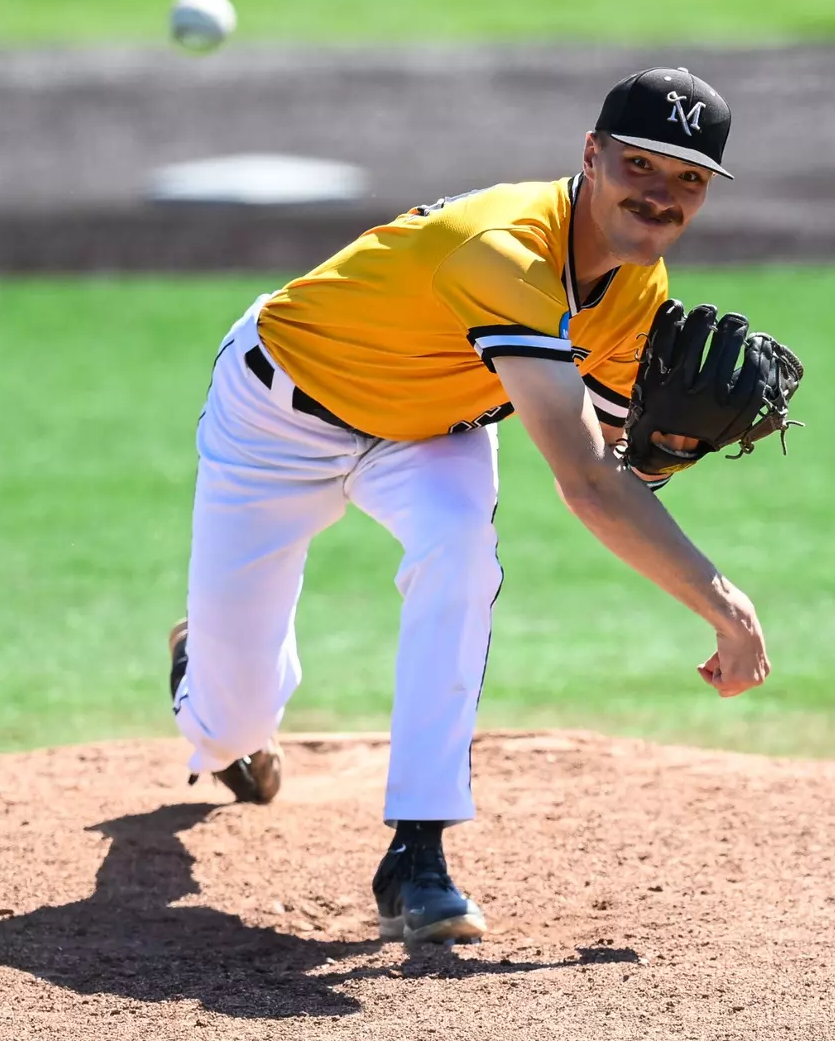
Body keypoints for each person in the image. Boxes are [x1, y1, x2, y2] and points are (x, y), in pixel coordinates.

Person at [167, 67, 772, 946]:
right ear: (592, 155)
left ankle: (418, 852)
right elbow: (585, 482)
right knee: (232, 723)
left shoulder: (637, 287)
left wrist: (667, 449)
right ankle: (202, 677)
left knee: (461, 554)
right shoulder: (504, 251)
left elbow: (615, 461)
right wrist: (725, 607)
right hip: (278, 416)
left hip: (430, 433)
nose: (660, 196)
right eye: (640, 166)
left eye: (687, 179)